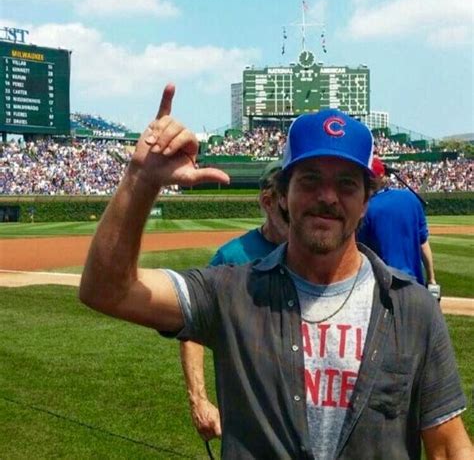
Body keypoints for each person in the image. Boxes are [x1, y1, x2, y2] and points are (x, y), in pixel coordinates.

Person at [79, 84, 472, 459]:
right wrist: (141, 179)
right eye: (310, 179)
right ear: (283, 194)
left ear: (366, 200)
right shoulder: (232, 292)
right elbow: (107, 289)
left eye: (347, 184)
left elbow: (449, 447)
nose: (327, 196)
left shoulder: (411, 309)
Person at [180, 160, 288, 441]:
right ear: (268, 201)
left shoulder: (320, 254)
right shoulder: (231, 258)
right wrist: (199, 400)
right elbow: (193, 326)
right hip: (248, 424)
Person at [356, 156, 436, 286]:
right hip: (415, 284)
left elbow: (359, 251)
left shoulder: (365, 209)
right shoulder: (410, 198)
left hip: (384, 285)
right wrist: (431, 278)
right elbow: (423, 244)